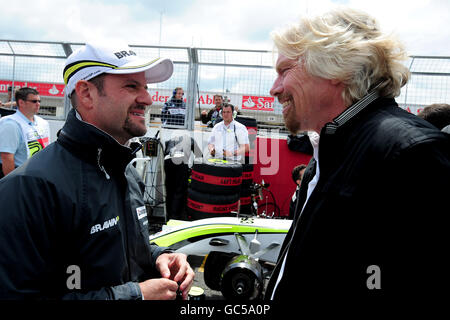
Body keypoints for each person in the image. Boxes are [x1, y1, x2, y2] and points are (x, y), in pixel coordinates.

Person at [265, 7, 450, 302]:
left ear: (335, 67)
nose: (274, 88)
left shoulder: (411, 154)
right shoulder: (328, 153)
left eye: (285, 70)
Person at [0, 42, 194, 300]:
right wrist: (137, 296)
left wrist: (160, 257)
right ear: (86, 94)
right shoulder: (28, 188)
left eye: (146, 87)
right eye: (131, 86)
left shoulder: (126, 172)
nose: (147, 99)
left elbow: (126, 251)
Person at [0, 87, 50, 178]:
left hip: (37, 173)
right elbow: (7, 157)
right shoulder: (10, 124)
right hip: (19, 175)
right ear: (21, 103)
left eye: (39, 101)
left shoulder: (43, 123)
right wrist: (14, 183)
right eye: (34, 101)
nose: (38, 104)